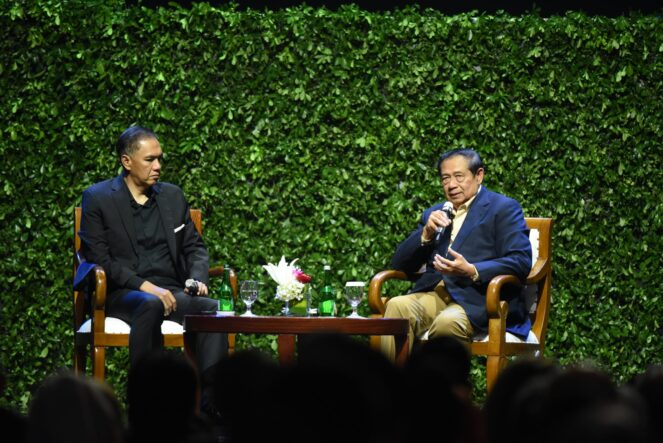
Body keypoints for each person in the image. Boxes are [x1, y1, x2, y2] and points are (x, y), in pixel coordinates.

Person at [76, 126, 227, 395]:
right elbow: (100, 259)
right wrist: (147, 287)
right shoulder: (98, 198)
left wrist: (196, 278)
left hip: (172, 291)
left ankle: (211, 403)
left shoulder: (172, 196)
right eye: (149, 160)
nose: (158, 166)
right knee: (150, 304)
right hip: (124, 292)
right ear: (127, 161)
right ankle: (147, 401)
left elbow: (194, 246)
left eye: (159, 159)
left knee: (212, 310)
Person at [381, 148, 532, 360]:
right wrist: (425, 234)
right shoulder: (435, 213)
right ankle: (387, 380)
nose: (451, 185)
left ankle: (443, 383)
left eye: (459, 176)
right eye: (445, 178)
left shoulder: (503, 208)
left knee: (447, 322)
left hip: (479, 299)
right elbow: (399, 264)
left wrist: (473, 270)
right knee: (396, 306)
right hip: (436, 294)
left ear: (479, 175)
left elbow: (520, 261)